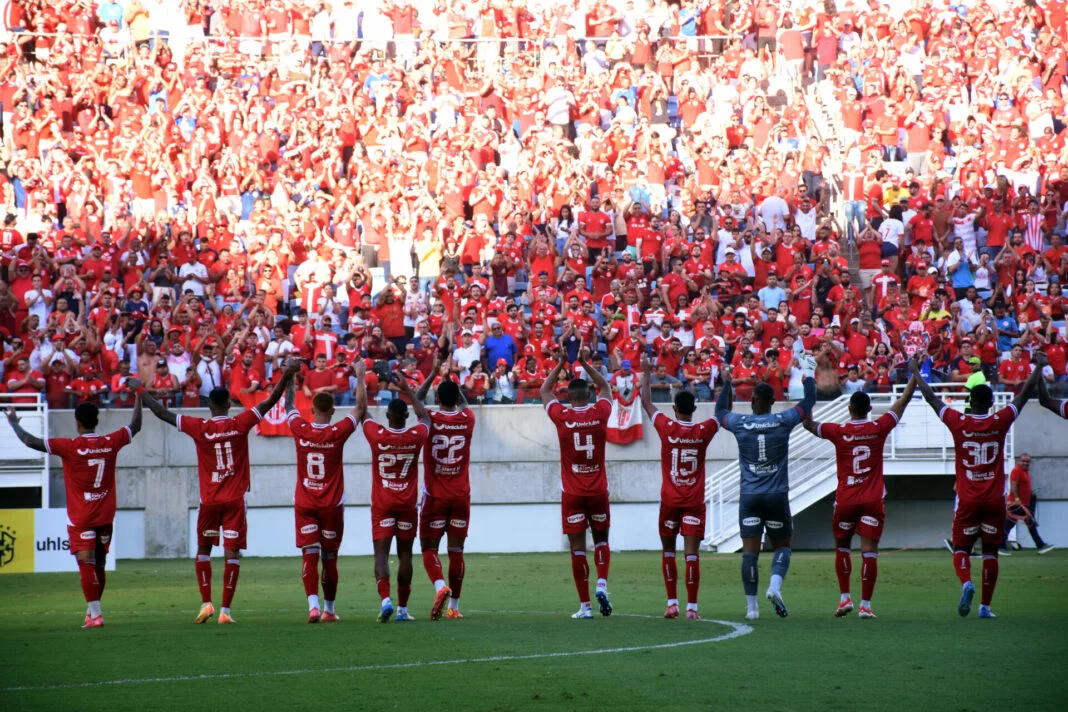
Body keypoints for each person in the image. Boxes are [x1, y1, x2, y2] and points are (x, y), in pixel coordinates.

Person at [140, 359, 299, 625]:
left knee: (203, 550)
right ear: (228, 405)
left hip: (210, 501)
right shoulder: (240, 422)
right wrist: (287, 373)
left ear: (210, 407)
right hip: (235, 500)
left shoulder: (199, 427)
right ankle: (225, 610)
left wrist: (140, 390)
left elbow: (162, 413)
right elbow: (271, 400)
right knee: (232, 554)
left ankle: (206, 603)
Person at [908, 356, 1041, 618]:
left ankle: (967, 583)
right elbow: (1024, 395)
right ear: (991, 404)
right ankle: (985, 607)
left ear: (971, 402)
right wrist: (1037, 367)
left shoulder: (959, 422)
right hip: (993, 500)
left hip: (967, 498)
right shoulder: (999, 421)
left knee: (961, 549)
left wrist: (915, 372)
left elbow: (932, 399)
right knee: (991, 553)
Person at [6, 399, 142, 628]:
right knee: (99, 563)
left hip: (82, 517)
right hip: (105, 514)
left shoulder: (69, 446)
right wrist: (138, 396)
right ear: (97, 421)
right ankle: (92, 611)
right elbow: (135, 426)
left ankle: (96, 615)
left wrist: (13, 423)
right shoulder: (111, 442)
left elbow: (30, 441)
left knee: (86, 563)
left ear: (77, 423)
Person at [802, 378, 918, 619]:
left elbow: (808, 423)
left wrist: (809, 390)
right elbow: (903, 401)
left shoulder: (839, 431)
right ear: (869, 409)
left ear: (849, 409)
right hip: (872, 501)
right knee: (869, 552)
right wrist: (914, 377)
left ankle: (845, 598)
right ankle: (865, 605)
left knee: (842, 548)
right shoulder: (878, 427)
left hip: (846, 500)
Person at [715, 361, 816, 620]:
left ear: (752, 401)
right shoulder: (783, 420)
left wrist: (727, 383)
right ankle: (774, 587)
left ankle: (752, 609)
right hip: (776, 496)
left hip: (749, 497)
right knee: (783, 545)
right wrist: (808, 376)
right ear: (772, 402)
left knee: (749, 552)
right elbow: (808, 403)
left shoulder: (740, 422)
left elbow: (720, 411)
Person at [284, 360, 366, 623]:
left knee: (309, 554)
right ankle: (329, 610)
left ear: (312, 409)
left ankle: (313, 606)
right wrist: (360, 376)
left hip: (305, 502)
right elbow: (360, 408)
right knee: (330, 556)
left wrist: (289, 375)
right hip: (331, 504)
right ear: (332, 411)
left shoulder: (300, 428)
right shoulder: (337, 431)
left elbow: (288, 406)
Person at [639, 355, 719, 620]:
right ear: (694, 409)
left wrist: (646, 373)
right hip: (693, 502)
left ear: (674, 408)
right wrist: (727, 384)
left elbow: (646, 402)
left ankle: (671, 604)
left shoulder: (667, 427)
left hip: (670, 501)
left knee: (668, 552)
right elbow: (723, 413)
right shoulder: (703, 430)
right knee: (692, 555)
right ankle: (692, 608)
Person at [541, 344, 614, 619]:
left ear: (568, 397)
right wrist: (584, 362)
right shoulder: (600, 413)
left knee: (577, 549)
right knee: (602, 540)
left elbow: (545, 391)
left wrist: (561, 363)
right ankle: (602, 584)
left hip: (572, 493)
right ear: (589, 395)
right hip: (598, 490)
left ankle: (585, 607)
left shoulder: (562, 416)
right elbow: (605, 386)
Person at [359, 370, 430, 623]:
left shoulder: (377, 435)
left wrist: (361, 377)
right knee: (405, 555)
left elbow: (362, 412)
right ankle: (402, 609)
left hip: (382, 503)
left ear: (388, 416)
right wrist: (407, 390)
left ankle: (385, 600)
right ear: (406, 417)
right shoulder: (415, 436)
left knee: (381, 554)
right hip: (407, 503)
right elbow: (425, 417)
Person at [415, 367, 476, 620]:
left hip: (435, 496)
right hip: (461, 496)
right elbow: (464, 403)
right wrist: (452, 380)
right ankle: (455, 607)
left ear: (438, 398)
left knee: (429, 547)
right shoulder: (468, 418)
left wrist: (433, 374)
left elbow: (417, 398)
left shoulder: (430, 419)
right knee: (456, 551)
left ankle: (441, 586)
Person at [999, 453, 1054, 556]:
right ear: (1019, 461)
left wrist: (1030, 494)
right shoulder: (1016, 471)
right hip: (1017, 504)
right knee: (1029, 524)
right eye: (1023, 461)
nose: (1025, 463)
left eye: (1027, 461)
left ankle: (1001, 546)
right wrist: (1017, 499)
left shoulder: (1026, 472)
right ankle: (1040, 545)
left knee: (1009, 525)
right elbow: (1013, 485)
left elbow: (1024, 486)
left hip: (1024, 504)